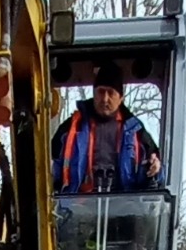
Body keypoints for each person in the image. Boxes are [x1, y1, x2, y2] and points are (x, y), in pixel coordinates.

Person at [51, 61, 162, 193]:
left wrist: (155, 168)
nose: (105, 99)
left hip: (125, 204)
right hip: (77, 203)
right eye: (101, 92)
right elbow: (51, 165)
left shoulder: (136, 131)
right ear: (94, 93)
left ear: (121, 98)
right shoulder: (70, 129)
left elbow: (156, 171)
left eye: (111, 93)